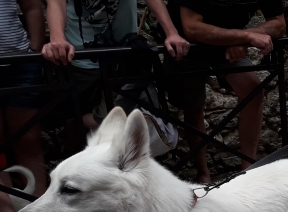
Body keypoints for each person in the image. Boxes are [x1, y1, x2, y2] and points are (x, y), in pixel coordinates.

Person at [41, 0, 189, 153]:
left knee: (110, 120)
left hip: (122, 59)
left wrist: (171, 33)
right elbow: (56, 2)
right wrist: (57, 38)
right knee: (77, 121)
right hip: (79, 60)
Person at [165, 0, 285, 182]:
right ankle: (203, 174)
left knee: (253, 91)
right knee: (193, 107)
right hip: (187, 45)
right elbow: (192, 28)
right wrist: (245, 37)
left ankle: (248, 171)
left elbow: (279, 23)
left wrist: (243, 37)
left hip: (227, 43)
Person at [1, 0, 47, 212]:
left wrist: (34, 51)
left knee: (28, 138)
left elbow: (32, 6)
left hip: (19, 62)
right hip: (19, 62)